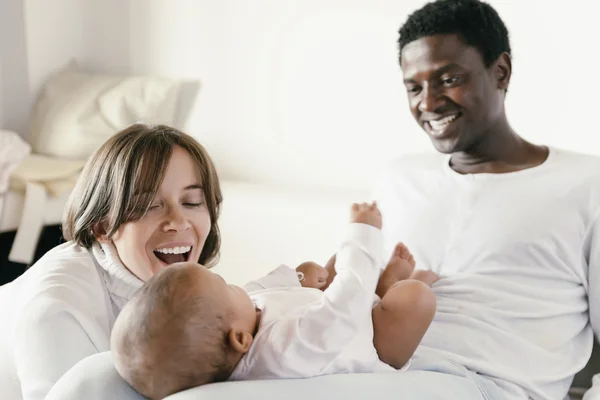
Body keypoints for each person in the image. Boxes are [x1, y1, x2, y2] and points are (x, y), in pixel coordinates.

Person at [371, 0, 600, 399]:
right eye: (414, 86)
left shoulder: (586, 183)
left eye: (447, 79)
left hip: (488, 388)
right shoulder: (400, 177)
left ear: (501, 71)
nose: (427, 102)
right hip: (373, 373)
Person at [110, 202, 437, 400]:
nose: (235, 285)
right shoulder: (283, 352)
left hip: (321, 311)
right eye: (225, 284)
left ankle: (375, 280)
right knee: (414, 300)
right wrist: (364, 233)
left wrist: (297, 277)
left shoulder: (235, 320)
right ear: (240, 339)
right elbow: (344, 310)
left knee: (338, 264)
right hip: (365, 341)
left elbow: (261, 288)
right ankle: (391, 283)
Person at [0, 124, 224, 400]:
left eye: (191, 202)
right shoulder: (59, 311)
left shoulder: (174, 281)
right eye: (148, 206)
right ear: (102, 227)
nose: (178, 222)